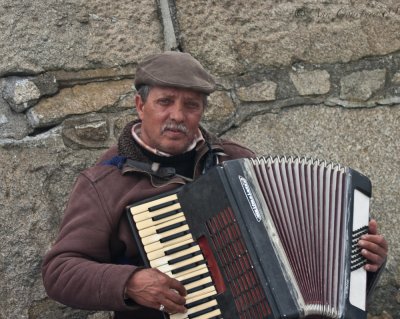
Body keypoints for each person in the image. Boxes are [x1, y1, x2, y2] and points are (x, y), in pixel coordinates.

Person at [42, 51, 388, 319]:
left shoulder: (238, 163)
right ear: (140, 105)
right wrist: (129, 283)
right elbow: (59, 271)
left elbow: (301, 263)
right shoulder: (105, 182)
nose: (178, 115)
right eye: (165, 101)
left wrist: (362, 263)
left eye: (191, 105)